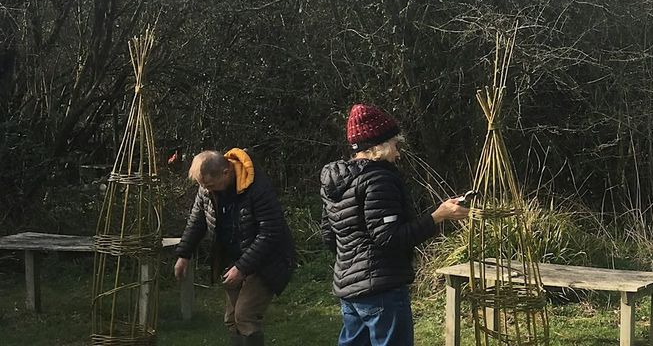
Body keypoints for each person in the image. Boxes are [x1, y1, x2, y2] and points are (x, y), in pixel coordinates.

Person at [321, 103, 471, 346]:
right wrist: (438, 216)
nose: (397, 152)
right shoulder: (379, 178)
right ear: (378, 146)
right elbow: (389, 238)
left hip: (349, 290)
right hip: (382, 291)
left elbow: (329, 236)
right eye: (394, 144)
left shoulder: (336, 182)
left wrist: (353, 264)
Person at [174, 149, 296, 346]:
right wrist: (183, 254)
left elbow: (270, 232)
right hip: (234, 258)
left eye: (211, 185)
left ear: (226, 172)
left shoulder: (257, 187)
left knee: (245, 316)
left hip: (268, 260)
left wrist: (242, 268)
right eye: (204, 186)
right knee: (231, 320)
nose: (208, 190)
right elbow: (197, 221)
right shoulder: (207, 187)